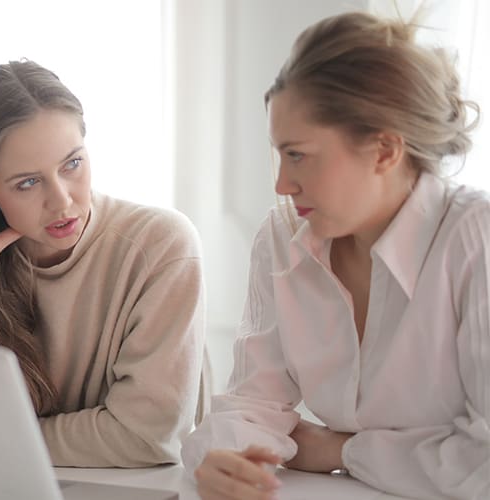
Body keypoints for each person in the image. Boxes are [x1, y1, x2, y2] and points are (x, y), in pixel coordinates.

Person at [182, 11, 488, 500]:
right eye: (279, 154)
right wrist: (228, 459)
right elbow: (251, 405)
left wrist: (343, 451)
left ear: (385, 150)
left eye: (299, 155)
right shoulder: (283, 237)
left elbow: (483, 463)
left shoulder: (476, 239)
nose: (282, 184)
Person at [0, 60, 210, 467]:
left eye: (72, 164)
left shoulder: (161, 245)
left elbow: (147, 438)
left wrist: (6, 438)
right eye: (28, 182)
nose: (61, 200)